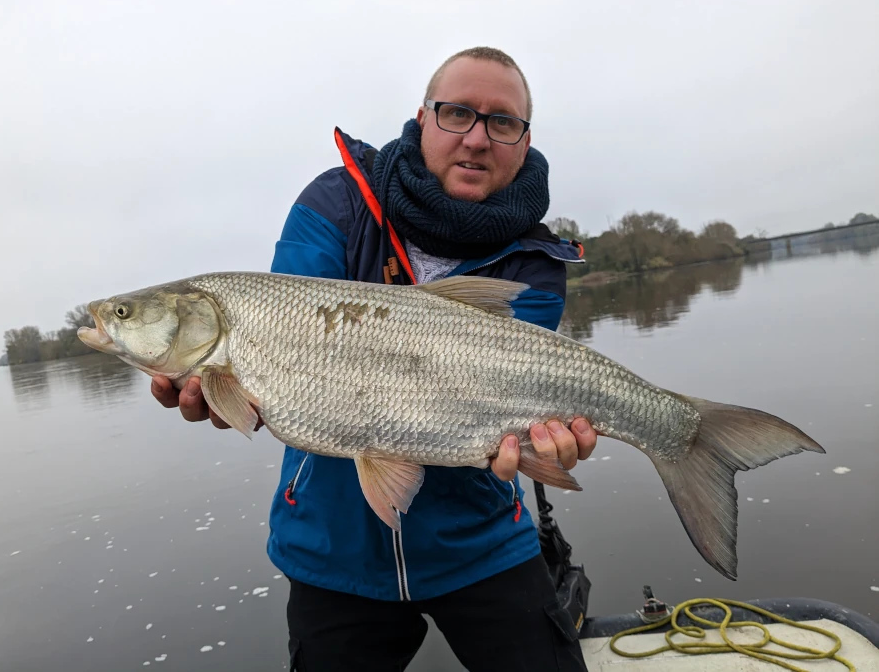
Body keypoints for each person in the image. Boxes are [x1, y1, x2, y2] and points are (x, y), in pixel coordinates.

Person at [150, 46, 598, 671]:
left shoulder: (538, 262)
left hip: (482, 540)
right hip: (334, 550)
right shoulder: (335, 203)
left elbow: (503, 410)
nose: (476, 138)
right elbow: (289, 342)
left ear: (524, 142)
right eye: (457, 113)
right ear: (422, 119)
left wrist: (539, 444)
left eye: (502, 122)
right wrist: (232, 394)